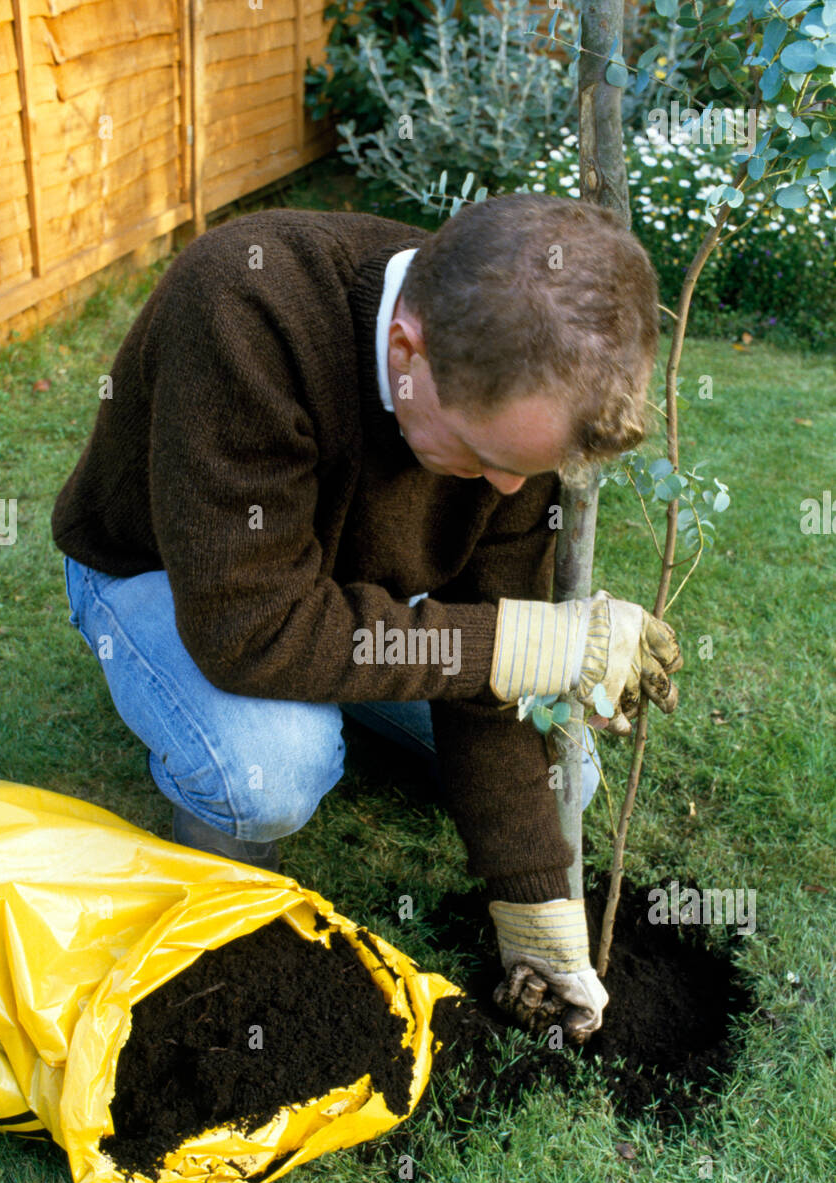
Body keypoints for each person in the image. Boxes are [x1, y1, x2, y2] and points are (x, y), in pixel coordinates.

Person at [51, 193, 681, 1044]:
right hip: (168, 576)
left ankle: (329, 695)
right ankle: (211, 936)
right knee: (271, 766)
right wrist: (509, 646)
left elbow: (489, 656)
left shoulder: (514, 386)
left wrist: (537, 906)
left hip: (347, 602)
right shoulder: (247, 308)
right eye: (486, 461)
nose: (503, 491)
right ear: (404, 352)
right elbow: (252, 629)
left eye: (523, 472)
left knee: (569, 778)